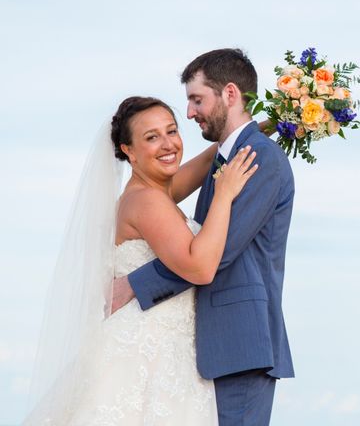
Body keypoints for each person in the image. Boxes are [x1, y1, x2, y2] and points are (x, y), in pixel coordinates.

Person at [23, 97, 258, 425]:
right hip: (147, 352)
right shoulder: (147, 201)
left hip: (162, 347)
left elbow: (208, 159)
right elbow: (201, 268)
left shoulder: (155, 190)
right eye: (152, 137)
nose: (168, 144)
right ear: (128, 151)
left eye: (172, 131)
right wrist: (224, 194)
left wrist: (272, 122)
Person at [111, 48, 296, 425]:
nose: (190, 112)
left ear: (229, 94)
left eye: (196, 100)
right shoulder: (224, 161)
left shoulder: (256, 159)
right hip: (204, 348)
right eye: (152, 136)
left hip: (239, 344)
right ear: (128, 151)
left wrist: (134, 282)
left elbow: (215, 255)